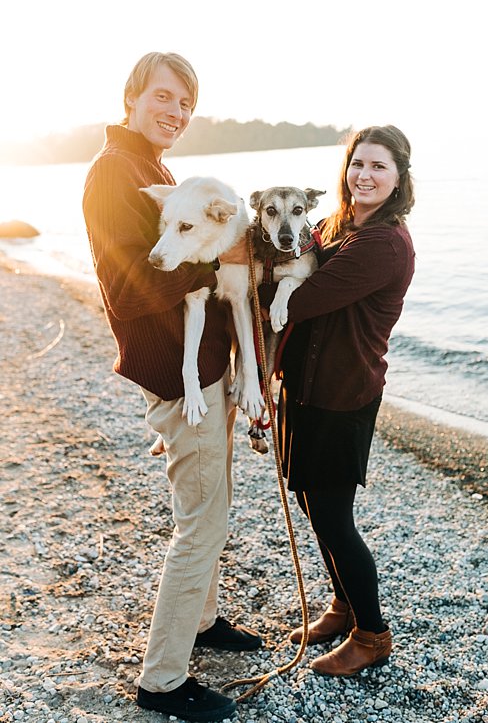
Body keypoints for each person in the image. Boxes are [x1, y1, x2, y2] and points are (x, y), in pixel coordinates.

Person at [82, 52, 262, 723]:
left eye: (185, 105)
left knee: (215, 502)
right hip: (171, 371)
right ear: (132, 97)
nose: (175, 113)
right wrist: (217, 256)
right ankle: (161, 679)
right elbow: (127, 291)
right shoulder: (113, 175)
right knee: (201, 522)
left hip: (204, 367)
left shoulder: (152, 169)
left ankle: (205, 618)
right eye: (163, 97)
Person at [274, 124, 415, 676]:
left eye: (379, 166)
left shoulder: (383, 242)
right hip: (305, 388)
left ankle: (372, 634)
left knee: (333, 517)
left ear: (400, 177)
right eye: (358, 164)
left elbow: (303, 299)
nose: (365, 174)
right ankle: (343, 605)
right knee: (312, 503)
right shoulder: (335, 226)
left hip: (343, 394)